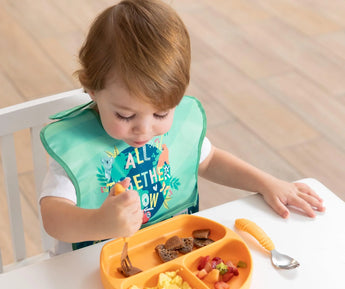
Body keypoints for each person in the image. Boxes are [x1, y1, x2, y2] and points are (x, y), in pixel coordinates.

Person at [39, 0, 325, 250]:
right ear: (91, 89)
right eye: (126, 116)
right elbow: (53, 216)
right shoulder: (77, 145)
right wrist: (99, 222)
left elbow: (209, 160)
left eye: (161, 114)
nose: (144, 129)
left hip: (168, 260)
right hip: (91, 274)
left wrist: (266, 182)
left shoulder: (170, 132)